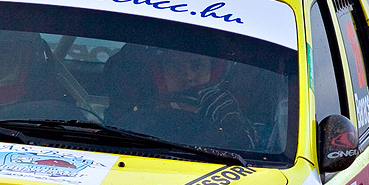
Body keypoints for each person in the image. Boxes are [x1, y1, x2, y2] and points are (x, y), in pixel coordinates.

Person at [103, 45, 257, 149]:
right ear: (160, 73)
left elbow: (247, 152)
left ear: (213, 70)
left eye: (197, 66)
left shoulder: (223, 108)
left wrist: (229, 120)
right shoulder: (141, 107)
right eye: (174, 67)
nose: (188, 76)